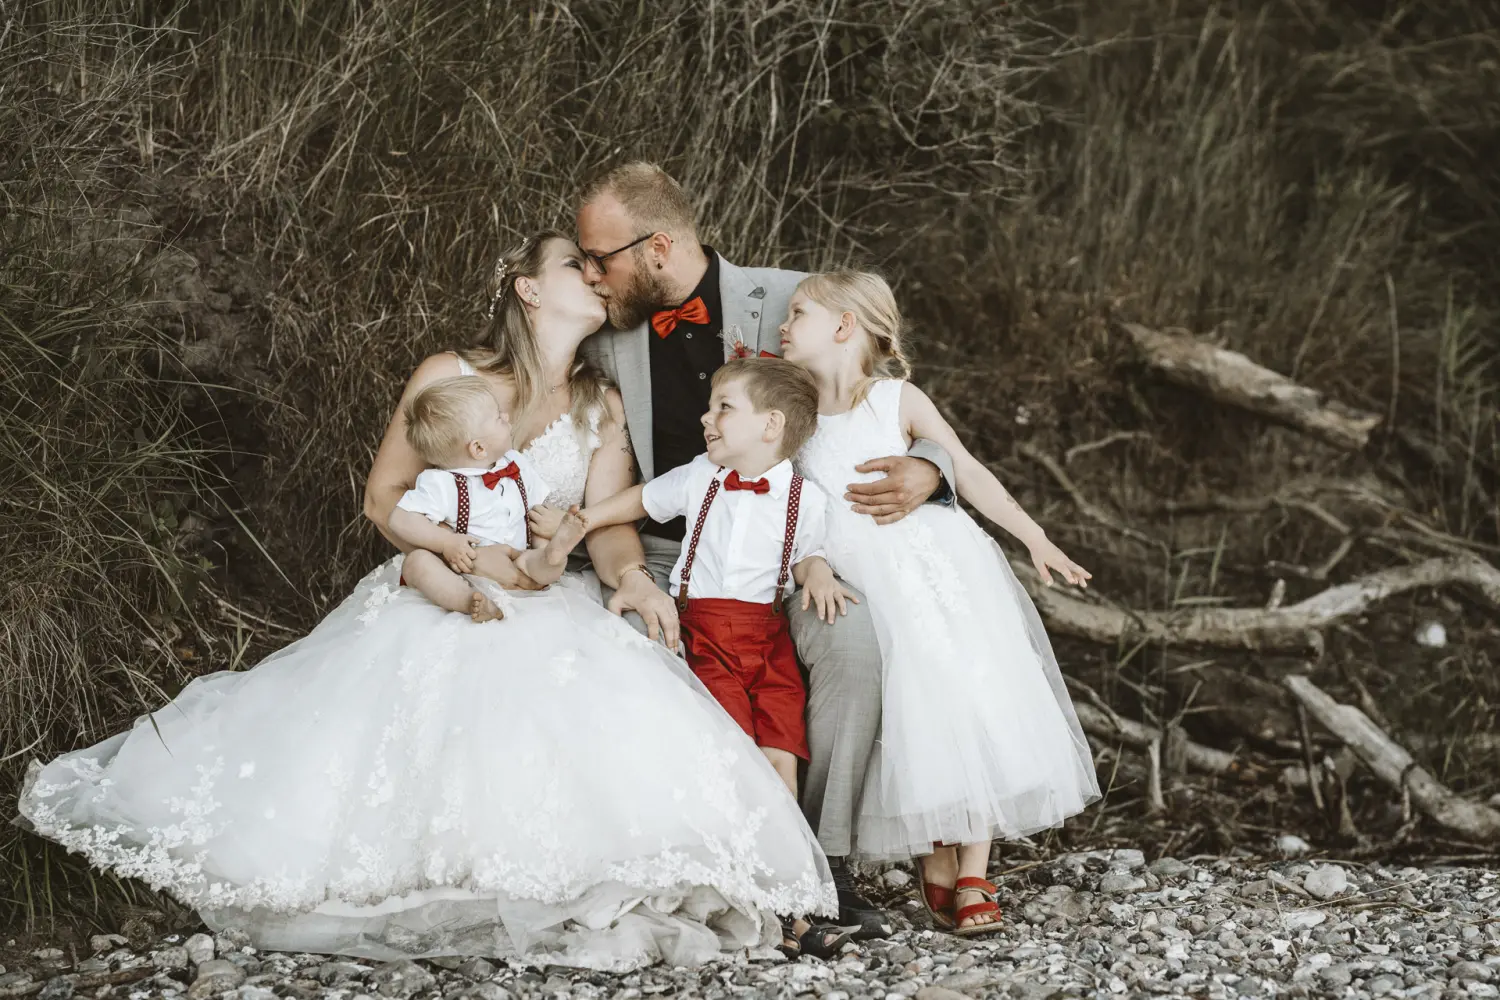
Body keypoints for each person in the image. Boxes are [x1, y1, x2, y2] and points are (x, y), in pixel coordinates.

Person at [17, 233, 838, 972]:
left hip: (548, 592)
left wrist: (628, 577)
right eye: (573, 266)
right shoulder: (447, 376)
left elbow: (603, 528)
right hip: (442, 581)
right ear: (526, 288)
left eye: (598, 267)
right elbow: (383, 499)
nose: (595, 277)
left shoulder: (600, 403)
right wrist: (462, 552)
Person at [572, 162, 958, 938]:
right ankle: (698, 863)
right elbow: (607, 497)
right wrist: (629, 578)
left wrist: (930, 470)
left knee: (851, 647)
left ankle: (825, 866)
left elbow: (886, 402)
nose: (589, 274)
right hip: (665, 555)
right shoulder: (610, 346)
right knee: (618, 653)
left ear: (659, 247)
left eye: (600, 258)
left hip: (793, 551)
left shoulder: (793, 300)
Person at [781, 270, 1102, 934]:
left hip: (936, 566)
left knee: (969, 693)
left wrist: (1034, 536)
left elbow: (966, 467)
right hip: (863, 578)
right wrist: (807, 561)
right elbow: (789, 504)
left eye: (798, 312)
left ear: (844, 326)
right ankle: (937, 849)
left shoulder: (896, 399)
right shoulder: (797, 415)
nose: (783, 324)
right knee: (914, 709)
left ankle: (977, 867)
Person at [389, 374, 584, 621]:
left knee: (539, 561)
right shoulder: (442, 483)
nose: (507, 417)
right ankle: (468, 601)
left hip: (517, 562)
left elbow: (536, 514)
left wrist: (544, 546)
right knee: (417, 562)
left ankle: (554, 555)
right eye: (498, 417)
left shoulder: (517, 465)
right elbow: (400, 519)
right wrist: (446, 543)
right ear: (478, 448)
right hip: (462, 573)